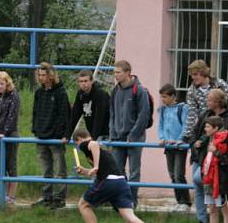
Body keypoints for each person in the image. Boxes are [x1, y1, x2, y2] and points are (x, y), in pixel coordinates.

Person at [72, 128, 161, 223]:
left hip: (109, 181)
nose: (78, 147)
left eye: (77, 144)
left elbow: (93, 144)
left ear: (78, 139)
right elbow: (101, 169)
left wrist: (95, 166)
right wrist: (86, 171)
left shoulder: (86, 144)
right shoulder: (101, 152)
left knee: (83, 205)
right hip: (121, 182)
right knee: (130, 218)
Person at [189, 88, 228, 223]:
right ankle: (202, 221)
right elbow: (196, 132)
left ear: (218, 101)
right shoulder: (205, 114)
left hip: (219, 161)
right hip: (202, 157)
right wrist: (194, 144)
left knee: (203, 181)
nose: (206, 101)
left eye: (210, 99)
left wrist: (219, 152)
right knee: (199, 185)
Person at [108, 60, 151, 207]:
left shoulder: (139, 90)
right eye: (114, 72)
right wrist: (112, 132)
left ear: (128, 72)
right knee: (117, 171)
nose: (116, 75)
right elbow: (112, 113)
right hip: (118, 137)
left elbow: (143, 115)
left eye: (118, 72)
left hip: (134, 138)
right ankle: (121, 199)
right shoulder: (115, 90)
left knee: (134, 172)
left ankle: (132, 201)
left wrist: (133, 135)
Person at [32, 62, 70, 209]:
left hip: (55, 137)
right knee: (46, 168)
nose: (42, 78)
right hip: (41, 136)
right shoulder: (38, 93)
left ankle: (60, 198)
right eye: (40, 75)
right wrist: (36, 129)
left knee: (60, 168)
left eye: (44, 75)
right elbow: (35, 113)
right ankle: (47, 196)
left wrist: (60, 134)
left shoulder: (61, 93)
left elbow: (63, 115)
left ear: (51, 75)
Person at [181, 59, 228, 144]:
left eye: (195, 74)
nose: (193, 77)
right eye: (191, 75)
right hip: (205, 126)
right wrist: (187, 135)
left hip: (223, 124)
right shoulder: (192, 90)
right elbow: (192, 113)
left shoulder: (220, 84)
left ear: (203, 73)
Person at [199, 116, 228, 223]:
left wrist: (217, 152)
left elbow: (227, 161)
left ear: (215, 128)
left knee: (224, 208)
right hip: (209, 177)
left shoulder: (226, 138)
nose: (205, 129)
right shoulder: (209, 139)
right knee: (212, 208)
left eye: (207, 127)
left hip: (220, 179)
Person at [157, 84, 191, 212]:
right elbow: (160, 125)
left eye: (165, 97)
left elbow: (185, 126)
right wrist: (162, 137)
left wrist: (180, 139)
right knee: (172, 174)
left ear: (173, 96)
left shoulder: (182, 108)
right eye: (162, 97)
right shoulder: (163, 110)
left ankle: (185, 202)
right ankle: (179, 201)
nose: (163, 99)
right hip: (168, 146)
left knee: (178, 174)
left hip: (179, 146)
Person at [0, 71, 20, 204]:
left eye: (2, 83)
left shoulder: (14, 96)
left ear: (7, 84)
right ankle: (4, 194)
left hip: (10, 134)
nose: (0, 86)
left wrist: (5, 133)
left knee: (11, 165)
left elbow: (12, 116)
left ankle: (11, 195)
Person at [69, 69, 110, 139]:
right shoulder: (80, 94)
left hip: (106, 133)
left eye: (85, 81)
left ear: (92, 81)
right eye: (81, 81)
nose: (83, 84)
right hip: (92, 133)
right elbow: (74, 115)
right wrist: (67, 135)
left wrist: (93, 138)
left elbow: (99, 118)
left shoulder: (100, 94)